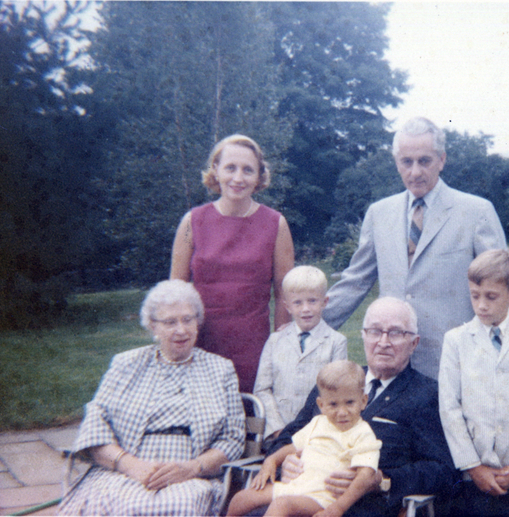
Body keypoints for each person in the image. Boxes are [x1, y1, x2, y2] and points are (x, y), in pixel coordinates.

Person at [323, 117, 509, 379]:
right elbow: (355, 281)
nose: (415, 172)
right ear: (396, 162)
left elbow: (504, 281)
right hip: (393, 364)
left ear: (441, 160)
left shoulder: (476, 212)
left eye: (424, 161)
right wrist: (309, 324)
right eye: (406, 162)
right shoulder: (379, 213)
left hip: (453, 361)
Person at [58, 280, 245, 516]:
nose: (181, 330)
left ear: (198, 322)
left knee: (178, 505)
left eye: (188, 319)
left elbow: (233, 438)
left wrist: (191, 468)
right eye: (170, 322)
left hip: (189, 475)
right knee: (118, 504)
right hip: (123, 469)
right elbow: (95, 425)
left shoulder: (221, 369)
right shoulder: (126, 364)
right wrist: (131, 465)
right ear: (152, 327)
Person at [262, 297, 458, 517]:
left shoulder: (426, 394)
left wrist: (383, 479)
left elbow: (442, 470)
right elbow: (288, 434)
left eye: (395, 333)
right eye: (375, 331)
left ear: (414, 343)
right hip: (300, 495)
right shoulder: (337, 382)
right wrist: (284, 463)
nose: (383, 342)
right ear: (363, 336)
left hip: (363, 507)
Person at [171, 134, 295, 392]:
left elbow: (284, 292)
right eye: (230, 168)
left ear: (259, 176)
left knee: (253, 420)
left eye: (248, 170)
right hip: (200, 344)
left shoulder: (276, 224)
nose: (238, 178)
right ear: (216, 170)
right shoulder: (192, 222)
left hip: (253, 347)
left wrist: (279, 346)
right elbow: (175, 292)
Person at [439, 249, 509, 517]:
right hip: (472, 475)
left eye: (491, 297)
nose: (481, 305)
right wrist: (473, 466)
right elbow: (449, 407)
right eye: (475, 296)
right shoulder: (456, 341)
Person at [227, 360, 381, 517]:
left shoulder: (362, 433)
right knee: (242, 498)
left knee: (282, 505)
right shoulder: (318, 423)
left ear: (363, 401)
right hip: (294, 487)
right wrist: (271, 461)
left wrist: (338, 508)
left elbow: (366, 474)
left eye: (349, 402)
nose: (342, 412)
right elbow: (292, 447)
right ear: (321, 405)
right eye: (333, 404)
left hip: (323, 497)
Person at [254, 265, 347, 440]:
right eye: (298, 302)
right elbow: (262, 389)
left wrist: (313, 432)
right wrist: (278, 429)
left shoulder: (336, 342)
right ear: (287, 306)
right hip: (278, 433)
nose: (305, 309)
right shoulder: (275, 341)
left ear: (324, 302)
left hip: (319, 434)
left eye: (312, 301)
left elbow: (336, 392)